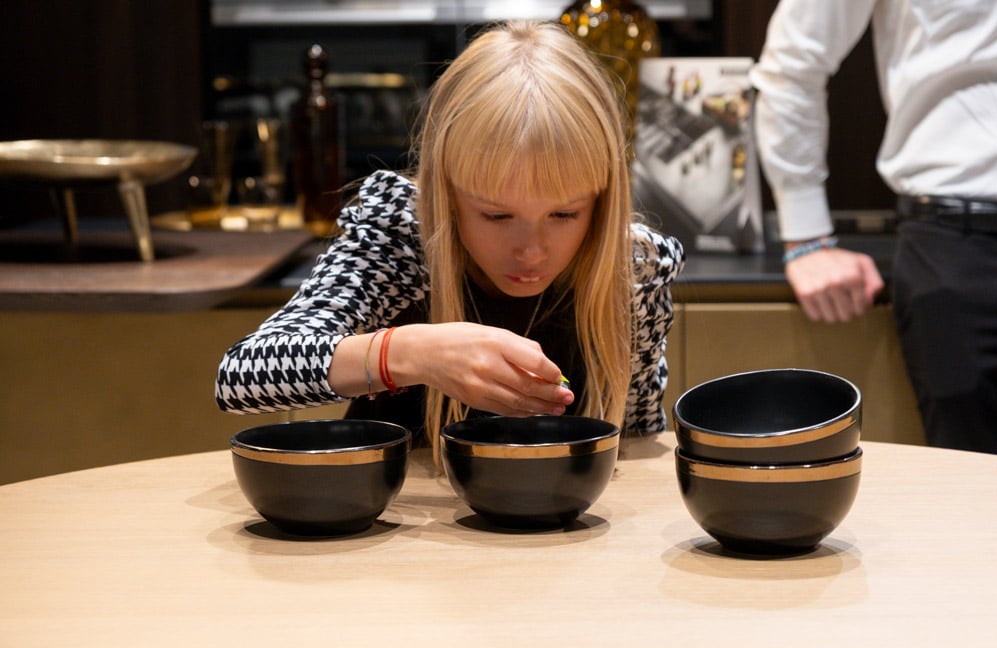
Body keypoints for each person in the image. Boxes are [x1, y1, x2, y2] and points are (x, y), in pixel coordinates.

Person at [215, 20, 685, 465]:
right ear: (447, 194)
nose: (532, 251)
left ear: (603, 202)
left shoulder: (632, 273)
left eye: (564, 214)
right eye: (496, 215)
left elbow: (640, 440)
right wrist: (414, 354)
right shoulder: (401, 239)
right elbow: (243, 375)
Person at [750, 1, 997, 455]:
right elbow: (793, 61)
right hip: (963, 248)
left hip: (961, 241)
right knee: (979, 485)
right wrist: (806, 237)